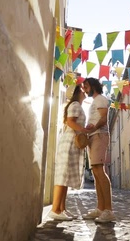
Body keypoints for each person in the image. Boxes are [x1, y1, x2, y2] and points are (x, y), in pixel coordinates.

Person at [48, 84, 88, 221]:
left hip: (71, 142)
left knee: (65, 177)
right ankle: (55, 209)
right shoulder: (75, 105)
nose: (85, 91)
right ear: (77, 92)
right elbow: (70, 122)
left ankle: (61, 209)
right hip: (70, 142)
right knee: (62, 176)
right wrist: (84, 130)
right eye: (82, 90)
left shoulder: (76, 105)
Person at [82, 77, 115, 223]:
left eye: (86, 87)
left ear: (93, 86)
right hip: (93, 136)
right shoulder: (95, 101)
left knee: (100, 171)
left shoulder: (101, 99)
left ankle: (108, 210)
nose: (85, 89)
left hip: (100, 135)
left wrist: (93, 128)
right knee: (95, 172)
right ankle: (101, 208)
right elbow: (96, 119)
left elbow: (103, 119)